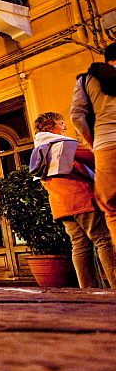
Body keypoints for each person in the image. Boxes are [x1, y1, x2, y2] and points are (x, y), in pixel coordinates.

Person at [31, 112, 116, 287]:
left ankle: (88, 290)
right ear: (50, 127)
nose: (65, 127)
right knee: (103, 240)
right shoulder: (64, 144)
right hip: (82, 199)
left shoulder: (40, 150)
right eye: (61, 123)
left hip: (61, 205)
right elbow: (96, 158)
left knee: (80, 245)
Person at [71, 43, 116, 244]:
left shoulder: (86, 80)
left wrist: (93, 144)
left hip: (106, 146)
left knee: (112, 209)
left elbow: (76, 116)